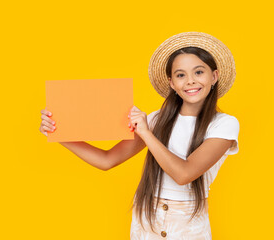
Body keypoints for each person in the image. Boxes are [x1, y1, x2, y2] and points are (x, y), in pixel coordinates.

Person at [39, 32, 240, 239]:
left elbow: (184, 174)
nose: (190, 81)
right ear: (171, 82)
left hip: (187, 222)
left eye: (199, 72)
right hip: (146, 217)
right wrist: (58, 132)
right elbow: (107, 160)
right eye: (181, 75)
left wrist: (146, 133)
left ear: (214, 76)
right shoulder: (156, 120)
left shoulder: (224, 124)